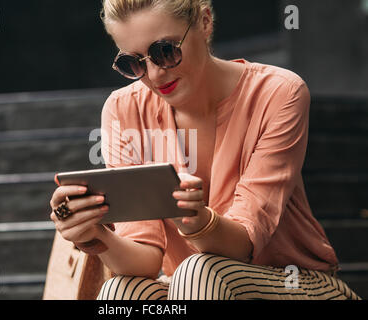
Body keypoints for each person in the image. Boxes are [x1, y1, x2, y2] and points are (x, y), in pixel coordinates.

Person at [49, 0, 361, 300]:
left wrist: (198, 222)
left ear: (205, 22)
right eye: (134, 63)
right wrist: (94, 234)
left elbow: (243, 244)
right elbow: (143, 261)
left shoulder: (278, 93)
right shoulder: (123, 109)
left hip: (293, 283)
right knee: (122, 292)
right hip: (191, 287)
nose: (155, 75)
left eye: (166, 51)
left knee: (200, 272)